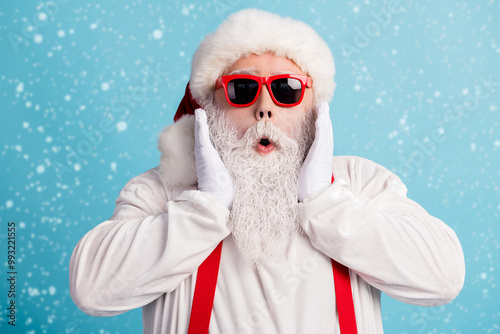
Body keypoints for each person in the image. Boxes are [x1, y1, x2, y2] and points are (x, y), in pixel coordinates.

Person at [69, 9, 465, 334]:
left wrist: (324, 202)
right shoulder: (161, 191)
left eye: (287, 89)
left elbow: (443, 277)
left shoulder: (360, 183)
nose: (265, 109)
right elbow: (91, 288)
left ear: (315, 109)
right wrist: (206, 208)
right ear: (209, 109)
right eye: (242, 89)